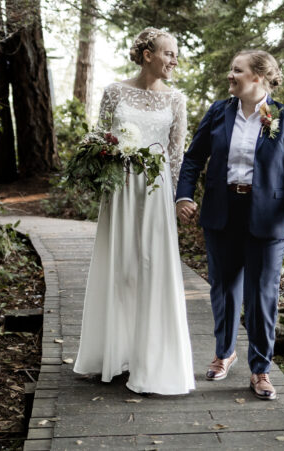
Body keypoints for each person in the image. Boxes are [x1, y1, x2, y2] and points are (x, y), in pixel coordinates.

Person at [175, 50, 284, 401]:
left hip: (267, 218)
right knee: (223, 289)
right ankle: (224, 353)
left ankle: (261, 369)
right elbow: (193, 158)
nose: (230, 75)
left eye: (237, 70)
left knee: (262, 294)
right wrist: (184, 196)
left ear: (257, 77)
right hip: (222, 212)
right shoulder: (219, 112)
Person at [73, 28, 195, 395]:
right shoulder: (114, 92)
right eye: (168, 53)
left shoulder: (176, 100)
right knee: (121, 267)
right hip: (120, 189)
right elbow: (98, 139)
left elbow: (176, 154)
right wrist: (106, 162)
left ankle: (152, 360)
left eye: (175, 54)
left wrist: (175, 199)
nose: (174, 60)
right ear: (146, 55)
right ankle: (114, 354)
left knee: (151, 268)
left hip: (155, 195)